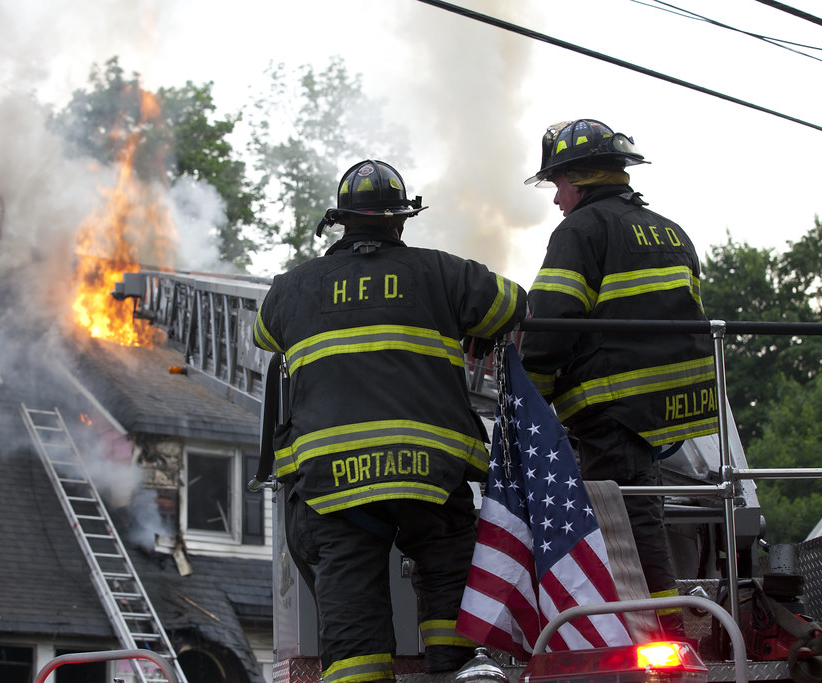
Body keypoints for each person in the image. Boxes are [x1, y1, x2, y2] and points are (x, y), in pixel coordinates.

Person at [253, 159, 527, 682]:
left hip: (335, 484)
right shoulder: (444, 272)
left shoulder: (291, 289)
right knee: (449, 573)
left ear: (341, 222)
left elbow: (266, 336)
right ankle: (459, 671)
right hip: (431, 472)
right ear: (401, 221)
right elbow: (514, 306)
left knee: (351, 608)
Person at [518, 119, 719, 640]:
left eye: (558, 186)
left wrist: (531, 401)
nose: (557, 200)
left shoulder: (581, 231)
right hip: (670, 407)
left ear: (578, 180)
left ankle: (658, 628)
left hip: (613, 402)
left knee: (626, 517)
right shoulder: (672, 230)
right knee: (641, 505)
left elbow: (553, 321)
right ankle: (662, 618)